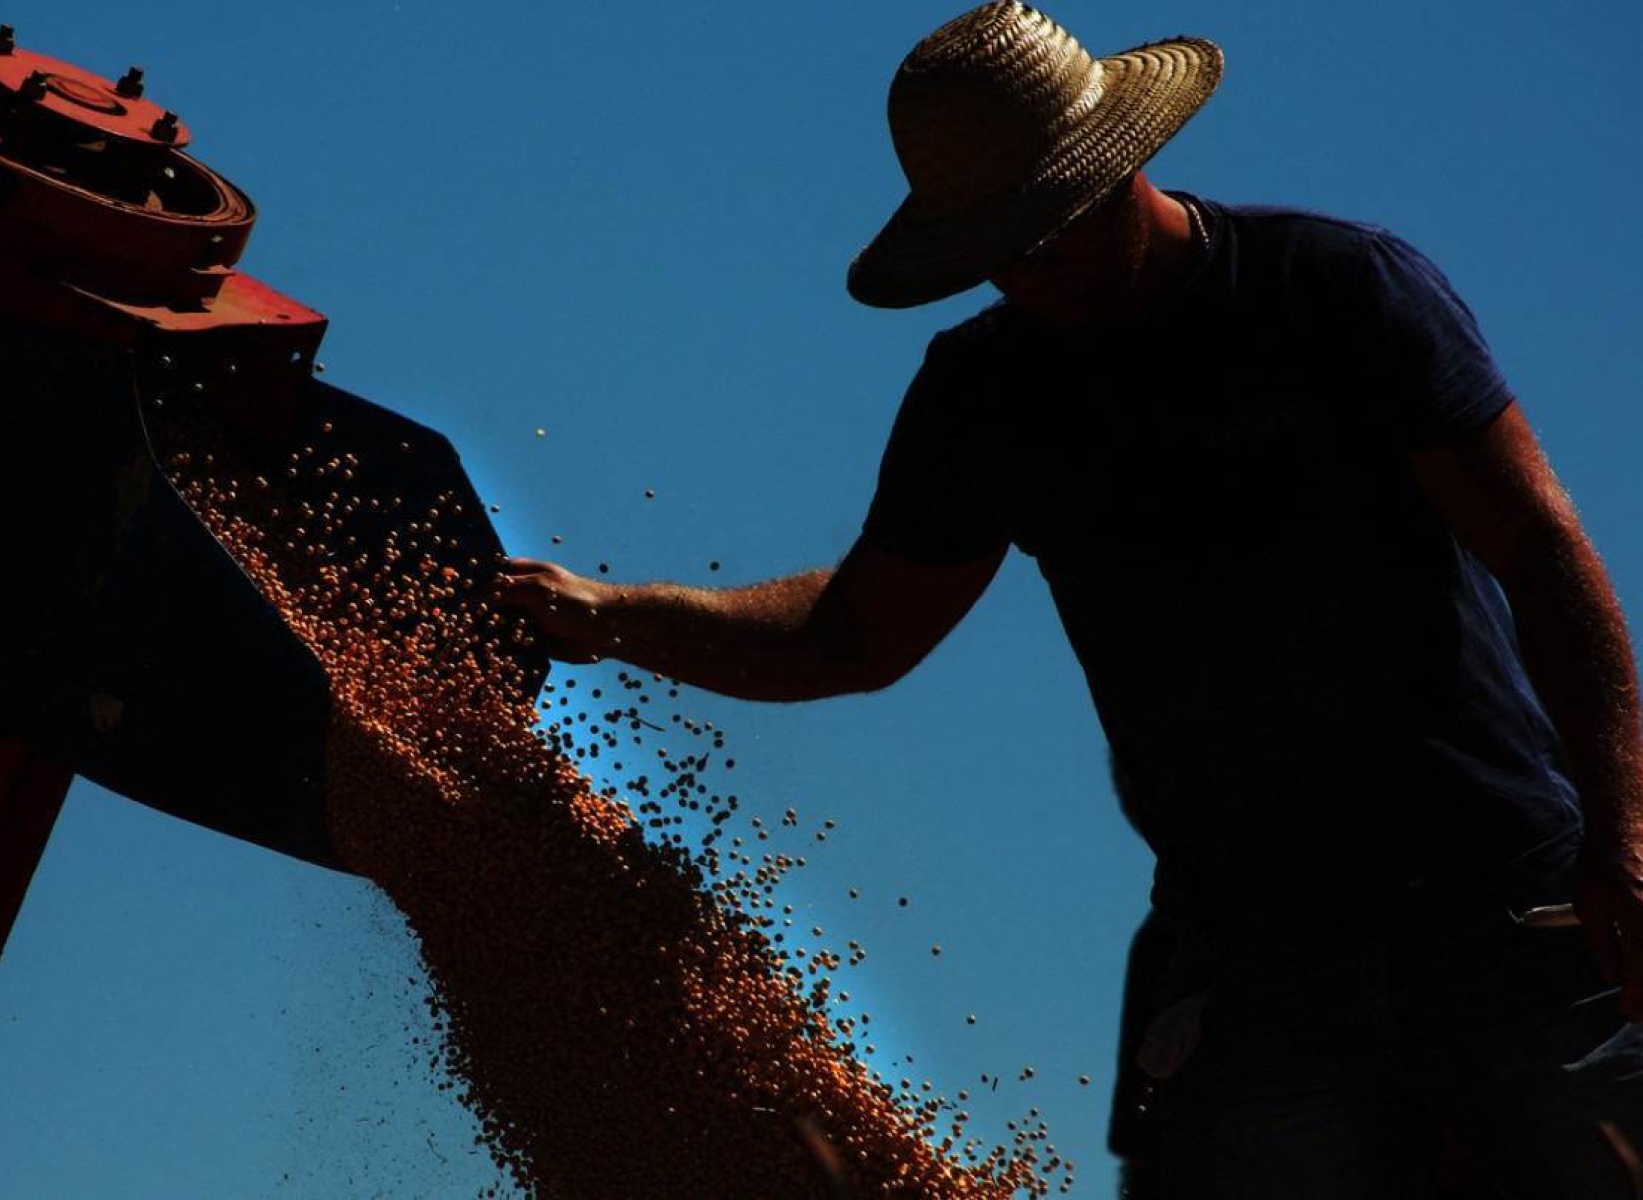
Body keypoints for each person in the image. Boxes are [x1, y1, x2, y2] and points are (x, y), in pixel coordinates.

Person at [495, 3, 1643, 1195]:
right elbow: (854, 632)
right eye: (999, 245)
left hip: (1501, 908)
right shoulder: (984, 396)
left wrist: (1624, 839)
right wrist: (613, 616)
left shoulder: (1333, 292)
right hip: (1251, 960)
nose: (1036, 265)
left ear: (1124, 163)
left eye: (1053, 223)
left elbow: (1543, 554)